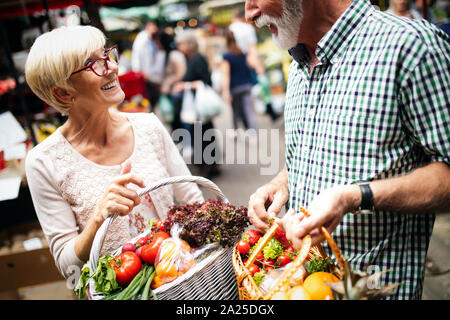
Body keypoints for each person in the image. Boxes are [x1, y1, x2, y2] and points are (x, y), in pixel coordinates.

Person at [245, 0, 450, 299]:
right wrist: (282, 182)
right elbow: (329, 150)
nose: (250, 13)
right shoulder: (299, 60)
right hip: (305, 286)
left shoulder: (411, 47)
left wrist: (355, 196)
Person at [24, 25, 203, 278]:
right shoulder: (44, 162)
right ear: (63, 92)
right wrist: (99, 217)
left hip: (183, 281)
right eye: (91, 63)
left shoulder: (148, 126)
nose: (112, 67)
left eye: (107, 55)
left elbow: (193, 199)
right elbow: (68, 267)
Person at [172, 30, 221, 179]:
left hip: (198, 105)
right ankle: (210, 165)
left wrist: (184, 86)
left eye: (181, 44)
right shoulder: (193, 58)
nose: (179, 47)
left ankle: (205, 167)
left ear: (189, 44)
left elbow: (204, 82)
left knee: (201, 133)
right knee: (203, 132)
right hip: (196, 104)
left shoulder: (197, 59)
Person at [221, 30, 258, 133]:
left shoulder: (226, 56)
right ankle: (253, 132)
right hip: (247, 85)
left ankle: (235, 131)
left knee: (235, 111)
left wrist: (225, 91)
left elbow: (226, 75)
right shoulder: (243, 53)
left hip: (234, 88)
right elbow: (252, 65)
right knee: (249, 111)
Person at [131, 20, 166, 110]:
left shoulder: (153, 40)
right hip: (145, 74)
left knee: (152, 98)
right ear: (147, 27)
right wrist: (138, 71)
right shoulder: (142, 38)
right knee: (147, 97)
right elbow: (136, 56)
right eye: (151, 26)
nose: (154, 28)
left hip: (153, 75)